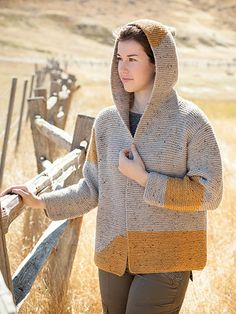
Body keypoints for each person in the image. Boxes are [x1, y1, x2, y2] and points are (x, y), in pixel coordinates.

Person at [0, 19, 223, 313]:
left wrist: (144, 179)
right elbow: (91, 189)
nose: (123, 68)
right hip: (113, 257)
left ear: (159, 64)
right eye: (119, 58)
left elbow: (210, 193)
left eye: (133, 59)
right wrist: (40, 201)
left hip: (168, 259)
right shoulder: (106, 123)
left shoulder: (190, 122)